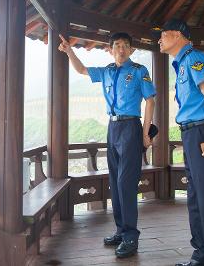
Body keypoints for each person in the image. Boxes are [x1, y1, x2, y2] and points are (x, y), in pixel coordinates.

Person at [58, 32, 156, 258]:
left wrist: (144, 134)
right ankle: (121, 231)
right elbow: (82, 70)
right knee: (115, 180)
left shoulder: (139, 71)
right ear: (111, 49)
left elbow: (150, 101)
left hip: (131, 127)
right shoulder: (107, 71)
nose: (121, 49)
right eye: (117, 45)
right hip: (112, 128)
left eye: (125, 46)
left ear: (131, 50)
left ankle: (131, 236)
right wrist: (69, 51)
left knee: (126, 183)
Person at [155, 19, 204, 266]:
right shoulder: (180, 64)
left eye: (163, 34)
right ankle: (201, 255)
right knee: (195, 198)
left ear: (178, 35)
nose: (160, 40)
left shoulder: (193, 58)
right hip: (190, 134)